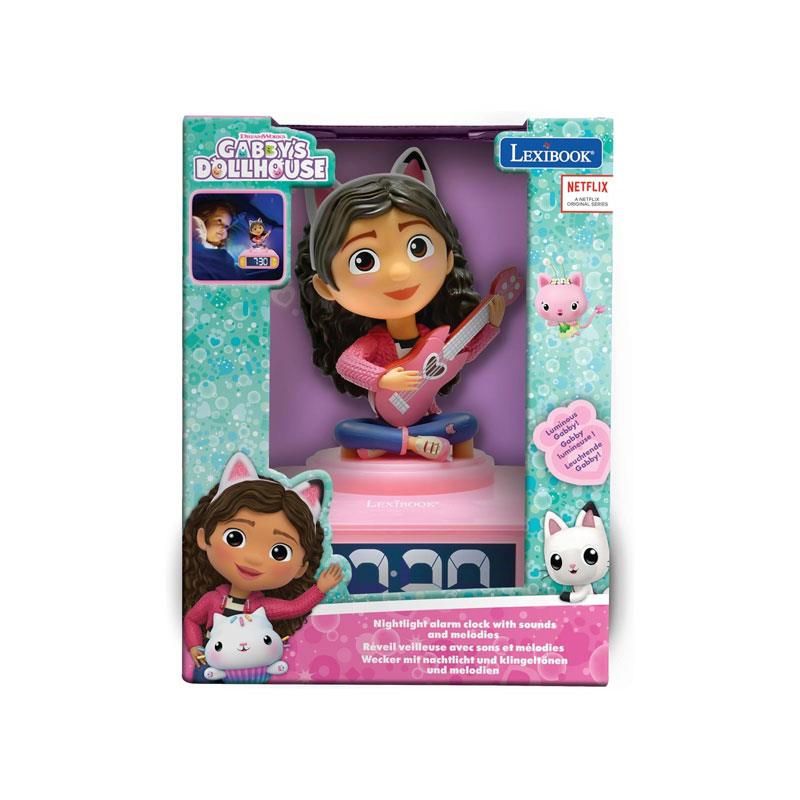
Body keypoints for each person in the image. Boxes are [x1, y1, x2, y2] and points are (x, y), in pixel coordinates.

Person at [295, 148, 506, 461]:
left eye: (418, 247)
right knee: (346, 430)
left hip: (427, 418)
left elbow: (466, 353)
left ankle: (395, 442)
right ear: (326, 288)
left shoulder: (432, 338)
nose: (398, 272)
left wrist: (490, 326)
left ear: (448, 258)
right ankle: (414, 444)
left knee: (465, 423)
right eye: (364, 260)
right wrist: (382, 379)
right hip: (386, 416)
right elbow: (346, 365)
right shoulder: (374, 341)